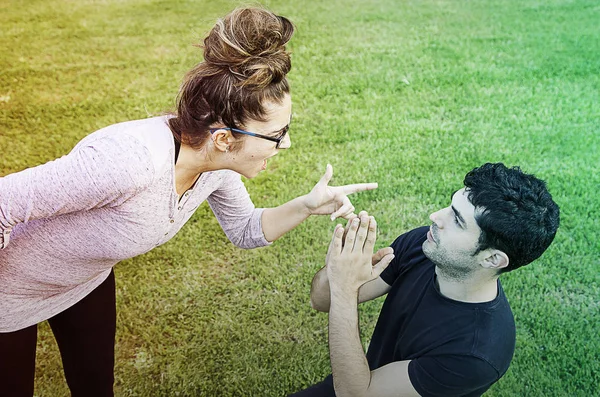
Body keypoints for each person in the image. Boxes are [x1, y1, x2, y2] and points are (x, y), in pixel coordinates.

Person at [0, 7, 377, 397]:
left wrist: (307, 205)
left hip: (84, 281)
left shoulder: (215, 167)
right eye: (276, 135)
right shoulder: (129, 161)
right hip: (9, 291)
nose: (286, 144)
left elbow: (246, 229)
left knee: (96, 387)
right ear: (224, 139)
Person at [290, 163, 560, 397]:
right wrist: (337, 271)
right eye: (450, 205)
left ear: (492, 259)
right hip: (356, 380)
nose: (436, 217)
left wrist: (345, 290)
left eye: (457, 220)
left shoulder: (476, 353)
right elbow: (321, 300)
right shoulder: (426, 245)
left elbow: (355, 393)